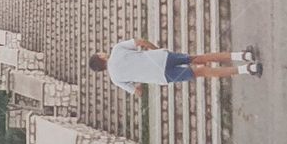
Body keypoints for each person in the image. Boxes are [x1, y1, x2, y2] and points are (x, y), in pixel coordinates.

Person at [89, 38, 262, 96]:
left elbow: (138, 92)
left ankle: (248, 69)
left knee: (203, 72)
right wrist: (156, 50)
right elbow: (140, 41)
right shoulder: (117, 49)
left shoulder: (116, 79)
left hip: (161, 76)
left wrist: (139, 80)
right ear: (101, 56)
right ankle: (243, 56)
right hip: (161, 57)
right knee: (199, 58)